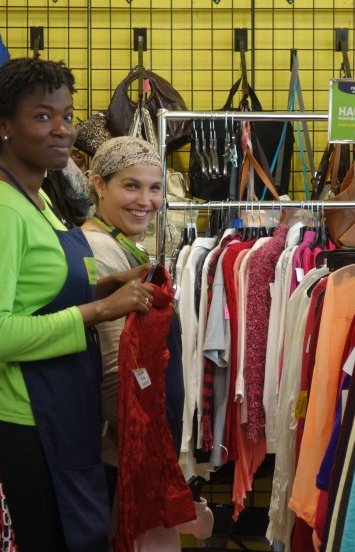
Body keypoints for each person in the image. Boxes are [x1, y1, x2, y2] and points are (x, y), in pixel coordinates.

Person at [0, 58, 155, 551]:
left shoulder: (40, 199)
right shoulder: (0, 210)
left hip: (62, 410)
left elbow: (38, 297)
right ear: (4, 126)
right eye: (42, 116)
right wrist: (99, 312)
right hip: (26, 422)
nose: (62, 129)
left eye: (67, 116)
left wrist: (106, 287)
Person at [81, 136, 213, 549]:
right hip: (122, 457)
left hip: (129, 450)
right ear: (99, 185)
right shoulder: (100, 250)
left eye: (154, 188)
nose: (146, 200)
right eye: (131, 186)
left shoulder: (123, 247)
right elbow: (115, 369)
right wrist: (146, 453)